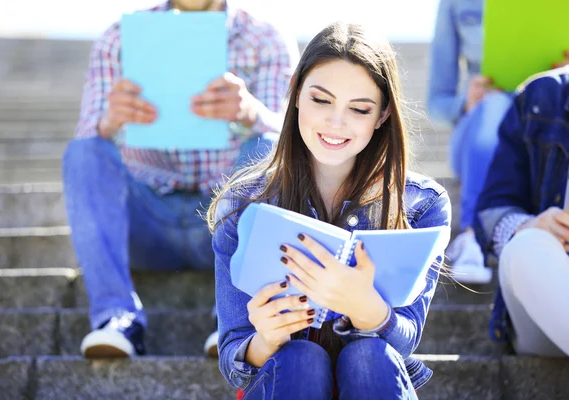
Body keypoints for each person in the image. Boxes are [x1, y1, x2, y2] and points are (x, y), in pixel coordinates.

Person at [207, 22, 452, 399]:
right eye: (321, 100)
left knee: (369, 356)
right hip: (285, 381)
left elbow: (404, 343)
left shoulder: (422, 206)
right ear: (295, 94)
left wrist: (367, 308)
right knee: (300, 358)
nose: (336, 122)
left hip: (374, 378)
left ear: (383, 115)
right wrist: (266, 338)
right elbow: (233, 361)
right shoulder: (242, 205)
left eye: (359, 109)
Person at [62, 0, 298, 359]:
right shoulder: (119, 38)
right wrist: (111, 120)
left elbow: (296, 145)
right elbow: (88, 142)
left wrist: (252, 112)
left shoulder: (266, 38)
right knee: (84, 151)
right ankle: (117, 319)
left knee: (269, 145)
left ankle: (234, 321)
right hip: (145, 220)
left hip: (227, 221)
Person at [428, 0, 569, 285]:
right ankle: (471, 237)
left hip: (541, 129)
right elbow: (436, 103)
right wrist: (466, 102)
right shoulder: (455, 4)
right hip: (477, 132)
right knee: (494, 106)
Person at [474, 67, 569, 357]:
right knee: (525, 247)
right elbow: (490, 211)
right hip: (549, 296)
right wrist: (531, 226)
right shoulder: (542, 95)